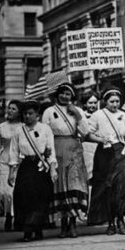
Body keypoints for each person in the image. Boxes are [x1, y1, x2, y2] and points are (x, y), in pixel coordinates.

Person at [42, 83, 89, 238]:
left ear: (72, 96)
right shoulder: (49, 111)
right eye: (62, 93)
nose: (65, 96)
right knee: (60, 185)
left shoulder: (77, 110)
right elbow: (44, 133)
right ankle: (63, 225)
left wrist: (77, 114)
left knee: (74, 184)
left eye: (68, 94)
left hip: (74, 148)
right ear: (57, 94)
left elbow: (85, 131)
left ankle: (73, 224)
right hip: (57, 148)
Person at [87, 87, 125, 235]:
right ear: (105, 101)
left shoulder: (124, 116)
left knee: (121, 188)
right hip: (105, 154)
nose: (115, 104)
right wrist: (101, 139)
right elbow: (88, 134)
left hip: (121, 153)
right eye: (112, 101)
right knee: (107, 188)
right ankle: (110, 222)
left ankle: (120, 218)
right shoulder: (97, 115)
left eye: (117, 101)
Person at [8, 100, 58, 242]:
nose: (27, 116)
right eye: (25, 114)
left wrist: (53, 169)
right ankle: (27, 230)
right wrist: (12, 172)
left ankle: (38, 229)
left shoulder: (45, 129)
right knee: (24, 198)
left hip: (41, 167)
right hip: (26, 167)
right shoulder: (19, 131)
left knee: (40, 198)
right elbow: (13, 152)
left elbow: (50, 150)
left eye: (30, 113)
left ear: (37, 115)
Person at [0, 100, 23, 231]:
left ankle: (17, 217)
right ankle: (8, 215)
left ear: (19, 112)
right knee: (6, 192)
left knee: (16, 191)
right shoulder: (1, 127)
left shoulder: (23, 126)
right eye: (9, 108)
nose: (9, 111)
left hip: (20, 161)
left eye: (13, 109)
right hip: (4, 162)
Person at [81, 92, 100, 180]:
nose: (93, 105)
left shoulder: (101, 115)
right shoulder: (81, 116)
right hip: (86, 147)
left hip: (98, 146)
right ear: (85, 104)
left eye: (95, 103)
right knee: (88, 174)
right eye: (90, 103)